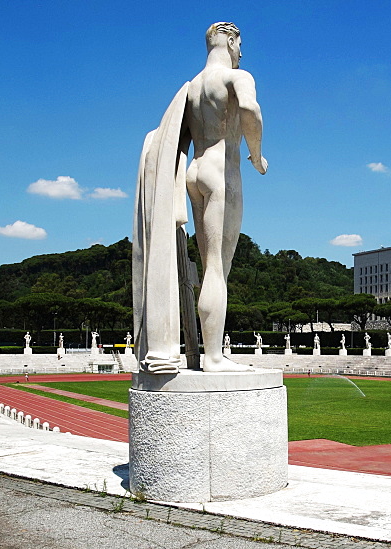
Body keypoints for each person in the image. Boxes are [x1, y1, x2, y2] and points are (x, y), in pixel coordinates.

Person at [134, 22, 267, 374]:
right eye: (240, 44)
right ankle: (213, 357)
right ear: (229, 40)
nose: (242, 52)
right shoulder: (238, 78)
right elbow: (251, 111)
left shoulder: (190, 88)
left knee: (209, 268)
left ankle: (205, 352)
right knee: (217, 270)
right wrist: (256, 154)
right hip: (222, 172)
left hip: (194, 172)